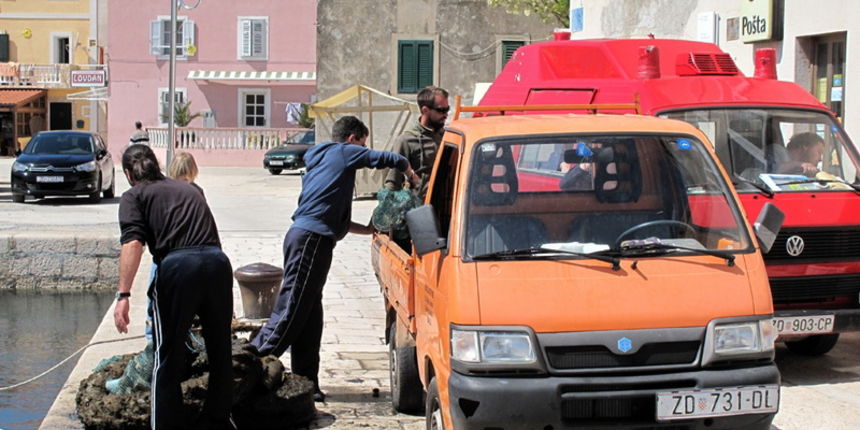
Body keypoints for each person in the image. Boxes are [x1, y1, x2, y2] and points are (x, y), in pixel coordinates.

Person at [250, 116, 418, 402]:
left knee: (310, 316)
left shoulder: (324, 160)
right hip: (311, 241)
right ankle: (250, 364)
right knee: (292, 309)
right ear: (353, 139)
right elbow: (388, 158)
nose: (362, 151)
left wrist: (365, 230)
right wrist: (409, 172)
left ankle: (307, 381)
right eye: (362, 144)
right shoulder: (342, 151)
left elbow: (330, 214)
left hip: (308, 236)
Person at [114, 145, 234, 429]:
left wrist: (123, 295)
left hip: (178, 268)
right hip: (217, 263)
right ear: (157, 165)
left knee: (166, 354)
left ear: (129, 174)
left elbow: (133, 243)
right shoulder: (192, 189)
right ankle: (220, 420)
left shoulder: (134, 195)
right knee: (220, 350)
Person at [384, 86, 449, 199]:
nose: (446, 115)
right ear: (425, 110)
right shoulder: (406, 140)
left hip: (449, 206)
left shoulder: (448, 137)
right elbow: (393, 181)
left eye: (447, 109)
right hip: (421, 208)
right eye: (441, 110)